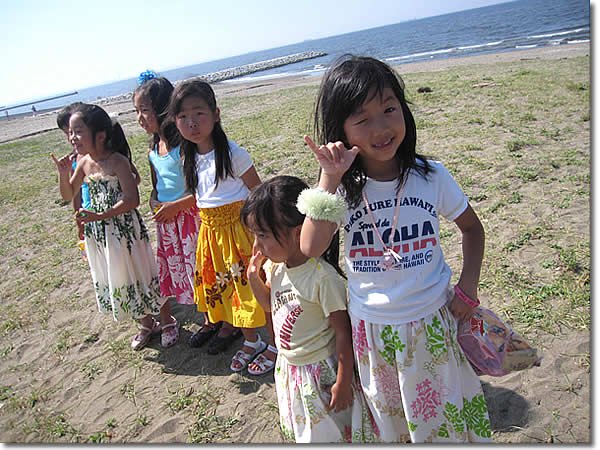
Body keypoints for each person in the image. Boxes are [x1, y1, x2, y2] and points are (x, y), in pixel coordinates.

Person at [299, 55, 492, 443]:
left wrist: (468, 287)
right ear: (341, 130)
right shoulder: (341, 192)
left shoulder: (431, 176)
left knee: (445, 419)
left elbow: (471, 228)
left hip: (432, 321)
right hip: (373, 332)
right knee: (393, 424)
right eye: (363, 118)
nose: (382, 127)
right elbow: (309, 247)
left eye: (389, 109)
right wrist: (329, 178)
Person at [242, 175, 376, 443]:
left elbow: (343, 332)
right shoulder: (276, 268)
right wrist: (253, 278)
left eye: (263, 235)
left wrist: (343, 380)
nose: (257, 245)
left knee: (333, 431)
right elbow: (270, 305)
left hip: (320, 372)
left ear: (296, 233)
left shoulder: (322, 278)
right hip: (292, 368)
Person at [168, 79, 271, 371]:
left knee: (255, 291)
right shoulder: (188, 156)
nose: (192, 122)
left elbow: (258, 193)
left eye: (199, 113)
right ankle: (252, 342)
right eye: (183, 116)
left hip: (240, 234)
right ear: (175, 122)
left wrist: (262, 236)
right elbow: (201, 197)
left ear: (216, 113)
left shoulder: (235, 154)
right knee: (229, 293)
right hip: (211, 237)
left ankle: (274, 345)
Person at [50, 103, 167, 351]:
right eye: (71, 132)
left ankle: (167, 321)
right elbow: (68, 192)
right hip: (101, 233)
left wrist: (102, 214)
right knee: (119, 275)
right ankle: (147, 324)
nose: (72, 137)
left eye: (78, 131)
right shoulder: (82, 163)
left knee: (142, 271)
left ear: (100, 135)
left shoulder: (118, 162)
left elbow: (132, 199)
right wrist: (62, 173)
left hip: (125, 230)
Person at [133, 73, 202, 347]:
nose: (139, 117)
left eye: (145, 110)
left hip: (188, 216)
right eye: (135, 111)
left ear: (163, 109)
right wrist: (155, 201)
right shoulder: (154, 146)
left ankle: (216, 318)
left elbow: (199, 190)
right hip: (167, 220)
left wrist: (175, 206)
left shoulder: (183, 145)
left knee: (198, 266)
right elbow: (156, 186)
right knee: (179, 269)